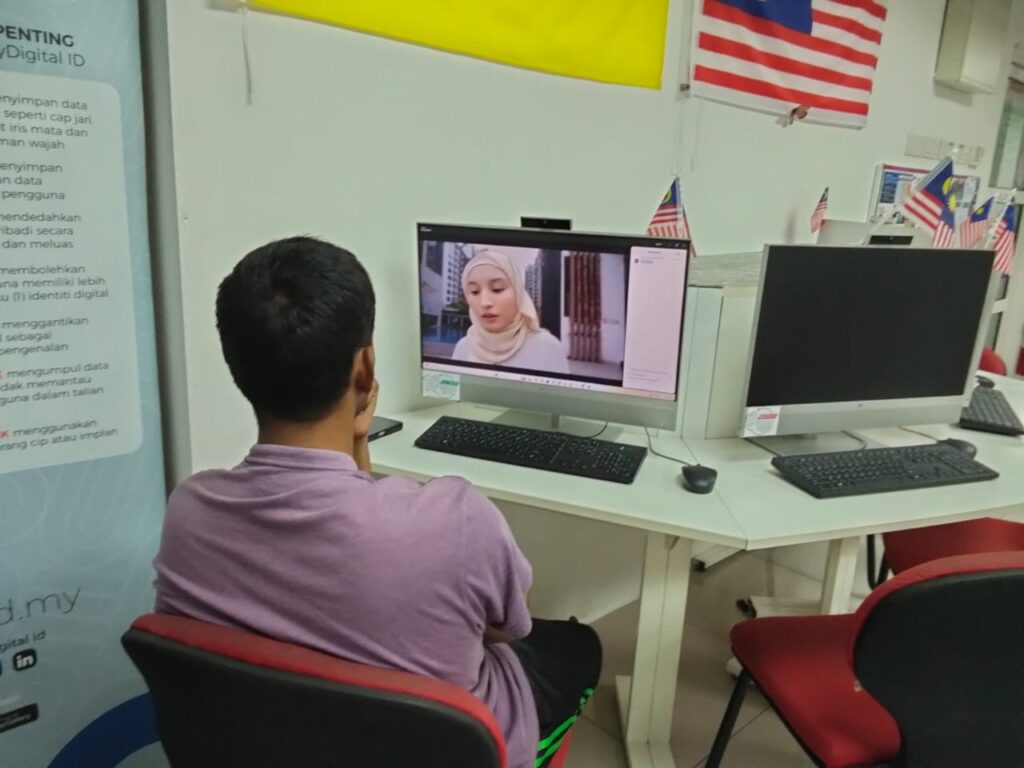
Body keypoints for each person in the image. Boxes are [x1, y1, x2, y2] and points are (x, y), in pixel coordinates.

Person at [152, 237, 601, 768]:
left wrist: (356, 441)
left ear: (238, 369)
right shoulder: (457, 519)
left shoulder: (188, 513)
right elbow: (508, 627)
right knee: (579, 646)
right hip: (462, 745)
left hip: (282, 740)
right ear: (365, 368)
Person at [452, 249, 571, 374]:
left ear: (518, 292)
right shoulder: (463, 347)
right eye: (474, 291)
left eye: (497, 289)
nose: (484, 302)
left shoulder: (547, 347)